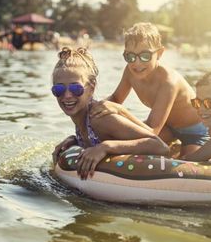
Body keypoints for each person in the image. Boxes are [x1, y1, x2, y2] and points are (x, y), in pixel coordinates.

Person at [91, 22, 209, 156]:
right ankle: (173, 146)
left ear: (159, 53)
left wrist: (119, 110)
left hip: (194, 130)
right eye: (130, 56)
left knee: (189, 162)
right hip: (167, 127)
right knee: (125, 140)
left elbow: (152, 131)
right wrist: (96, 107)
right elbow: (116, 99)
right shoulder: (130, 72)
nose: (137, 63)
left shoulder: (169, 82)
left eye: (145, 56)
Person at [51, 47, 169, 179]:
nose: (67, 95)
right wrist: (75, 140)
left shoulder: (99, 119)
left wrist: (107, 147)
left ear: (91, 87)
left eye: (75, 88)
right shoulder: (80, 118)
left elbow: (160, 146)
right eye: (59, 89)